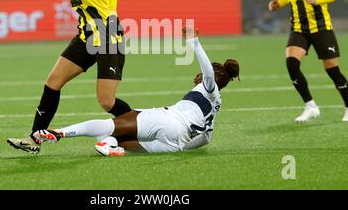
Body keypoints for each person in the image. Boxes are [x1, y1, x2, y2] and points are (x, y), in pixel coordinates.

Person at [7, 0, 132, 154]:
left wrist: (112, 15)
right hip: (85, 38)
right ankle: (34, 140)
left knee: (106, 102)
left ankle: (138, 129)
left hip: (107, 37)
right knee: (53, 82)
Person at [32, 27, 240, 156]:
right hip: (177, 142)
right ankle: (110, 145)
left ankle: (60, 133)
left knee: (111, 125)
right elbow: (206, 138)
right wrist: (182, 146)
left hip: (167, 119)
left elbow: (208, 75)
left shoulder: (209, 88)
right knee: (121, 140)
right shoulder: (215, 105)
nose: (198, 76)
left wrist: (194, 43)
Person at [268, 0, 348, 122]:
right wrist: (278, 3)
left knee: (332, 70)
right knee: (291, 64)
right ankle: (310, 106)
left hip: (320, 26)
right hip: (298, 27)